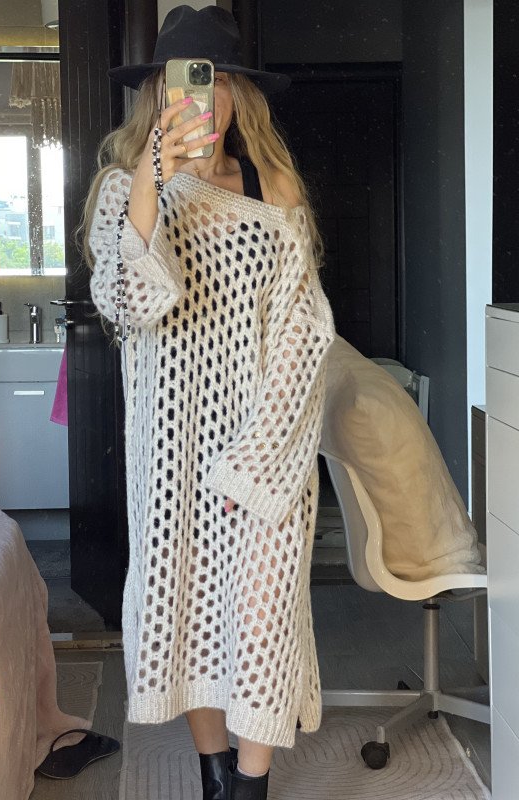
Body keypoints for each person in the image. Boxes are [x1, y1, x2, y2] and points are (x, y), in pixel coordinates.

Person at [81, 6, 336, 799]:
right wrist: (153, 181)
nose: (205, 95)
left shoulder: (272, 186)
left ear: (239, 94)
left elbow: (303, 331)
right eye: (187, 80)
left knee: (263, 622)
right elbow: (127, 303)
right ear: (157, 93)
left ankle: (250, 786)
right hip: (174, 455)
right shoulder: (124, 191)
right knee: (187, 613)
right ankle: (213, 777)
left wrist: (258, 462)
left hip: (265, 448)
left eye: (219, 79)